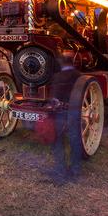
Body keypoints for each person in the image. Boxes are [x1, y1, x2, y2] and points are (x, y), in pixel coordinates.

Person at [46, 51, 82, 184]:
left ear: (61, 62)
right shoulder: (79, 76)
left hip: (60, 113)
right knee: (74, 141)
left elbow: (53, 98)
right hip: (74, 112)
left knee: (57, 141)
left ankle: (60, 168)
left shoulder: (57, 76)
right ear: (72, 62)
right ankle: (75, 169)